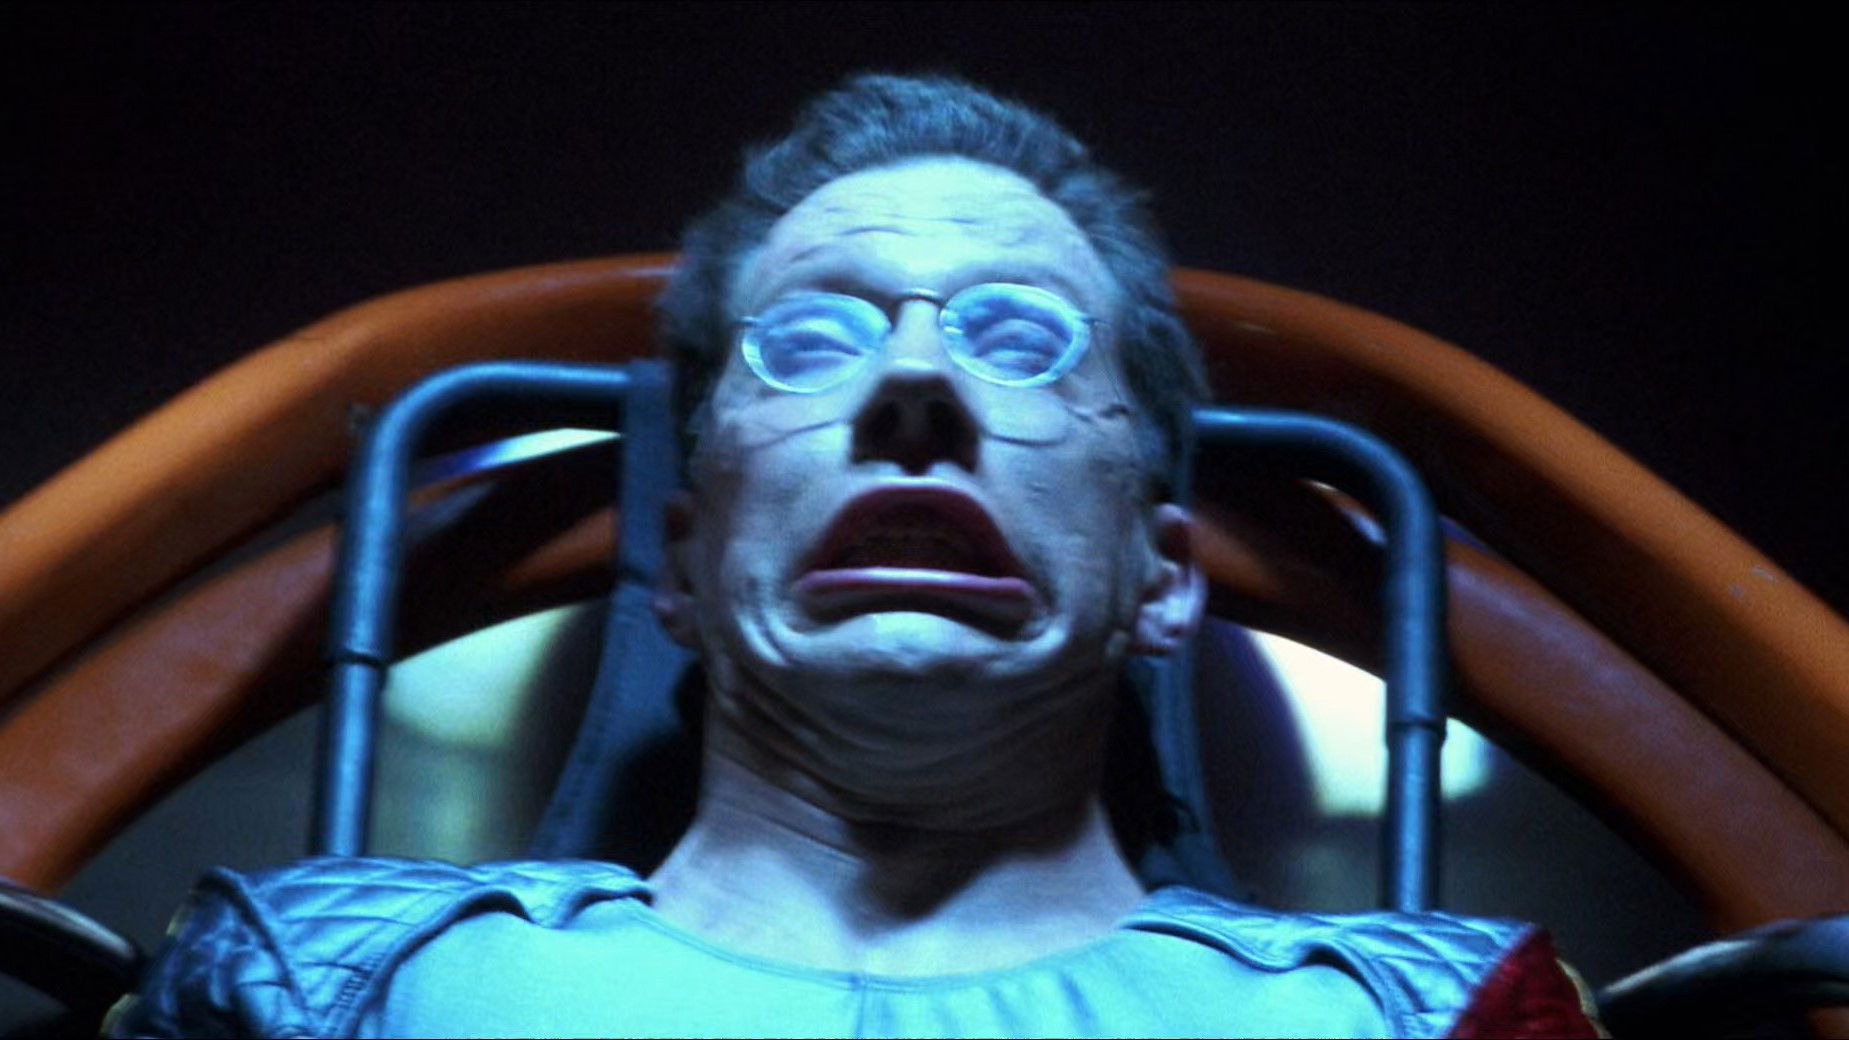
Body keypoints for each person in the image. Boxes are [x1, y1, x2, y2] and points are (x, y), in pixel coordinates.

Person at [109, 74, 1600, 1038]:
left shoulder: (1420, 1020)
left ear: (1161, 578)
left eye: (1020, 336)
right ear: (682, 566)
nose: (916, 383)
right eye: (813, 337)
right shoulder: (336, 993)